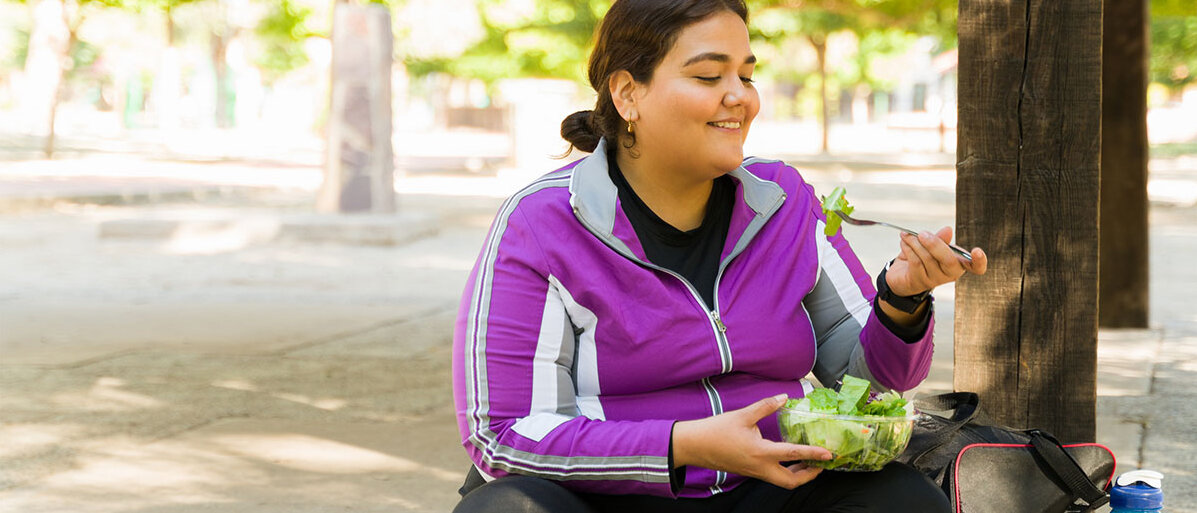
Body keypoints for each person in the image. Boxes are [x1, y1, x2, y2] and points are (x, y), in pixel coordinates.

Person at [451, 1, 988, 511]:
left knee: (902, 500)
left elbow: (867, 387)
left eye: (746, 75)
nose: (741, 97)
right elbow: (502, 433)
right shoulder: (543, 224)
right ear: (627, 94)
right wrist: (680, 446)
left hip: (771, 487)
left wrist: (902, 297)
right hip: (609, 495)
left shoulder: (784, 201)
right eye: (710, 76)